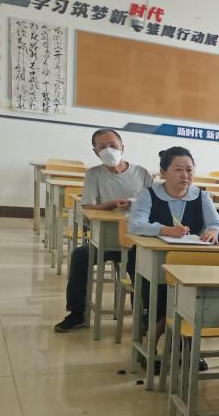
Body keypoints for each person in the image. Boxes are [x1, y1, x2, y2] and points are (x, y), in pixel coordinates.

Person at [54, 129, 153, 333]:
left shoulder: (142, 173)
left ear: (122, 147)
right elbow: (88, 206)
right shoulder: (94, 174)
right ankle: (77, 313)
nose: (109, 150)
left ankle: (144, 315)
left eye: (113, 145)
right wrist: (111, 204)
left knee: (143, 265)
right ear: (95, 151)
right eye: (102, 147)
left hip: (135, 241)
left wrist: (134, 204)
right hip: (105, 239)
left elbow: (153, 205)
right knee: (80, 256)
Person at [127, 147, 219, 337]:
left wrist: (214, 230)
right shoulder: (148, 194)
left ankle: (180, 338)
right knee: (160, 296)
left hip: (188, 259)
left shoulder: (202, 196)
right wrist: (165, 230)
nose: (185, 175)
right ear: (163, 172)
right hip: (149, 258)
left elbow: (218, 226)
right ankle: (156, 334)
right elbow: (135, 225)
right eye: (178, 170)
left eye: (189, 170)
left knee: (192, 296)